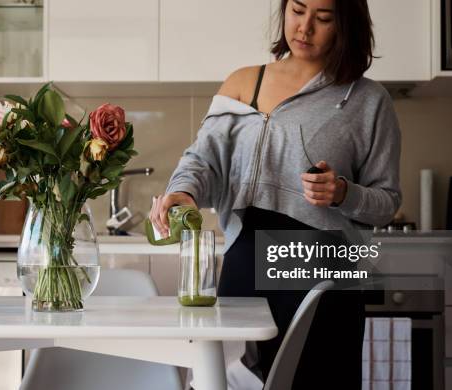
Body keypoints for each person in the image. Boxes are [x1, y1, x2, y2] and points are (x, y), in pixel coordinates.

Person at [149, 0, 401, 388]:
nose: (304, 28)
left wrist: (342, 193)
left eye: (323, 18)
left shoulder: (368, 100)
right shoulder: (244, 82)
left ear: (345, 24)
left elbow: (387, 202)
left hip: (324, 271)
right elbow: (201, 160)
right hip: (245, 262)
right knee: (228, 380)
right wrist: (183, 192)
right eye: (297, 11)